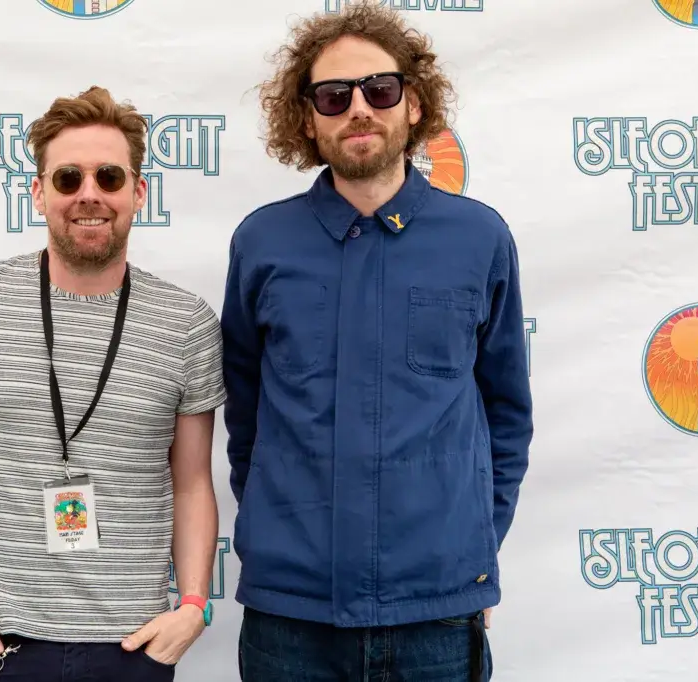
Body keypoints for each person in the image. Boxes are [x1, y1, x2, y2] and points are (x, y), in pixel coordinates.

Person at [220, 3, 534, 680]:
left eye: (379, 90)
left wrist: (468, 543)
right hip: (290, 622)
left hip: (437, 615)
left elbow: (506, 414)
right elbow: (244, 418)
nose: (358, 108)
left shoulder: (479, 239)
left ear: (413, 104)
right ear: (307, 119)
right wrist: (283, 529)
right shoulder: (261, 243)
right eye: (334, 96)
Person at [0, 86, 226, 682]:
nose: (89, 194)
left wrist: (193, 606)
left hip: (133, 647)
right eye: (68, 178)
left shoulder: (186, 322)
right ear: (39, 192)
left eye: (109, 177)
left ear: (138, 192)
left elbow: (194, 481)